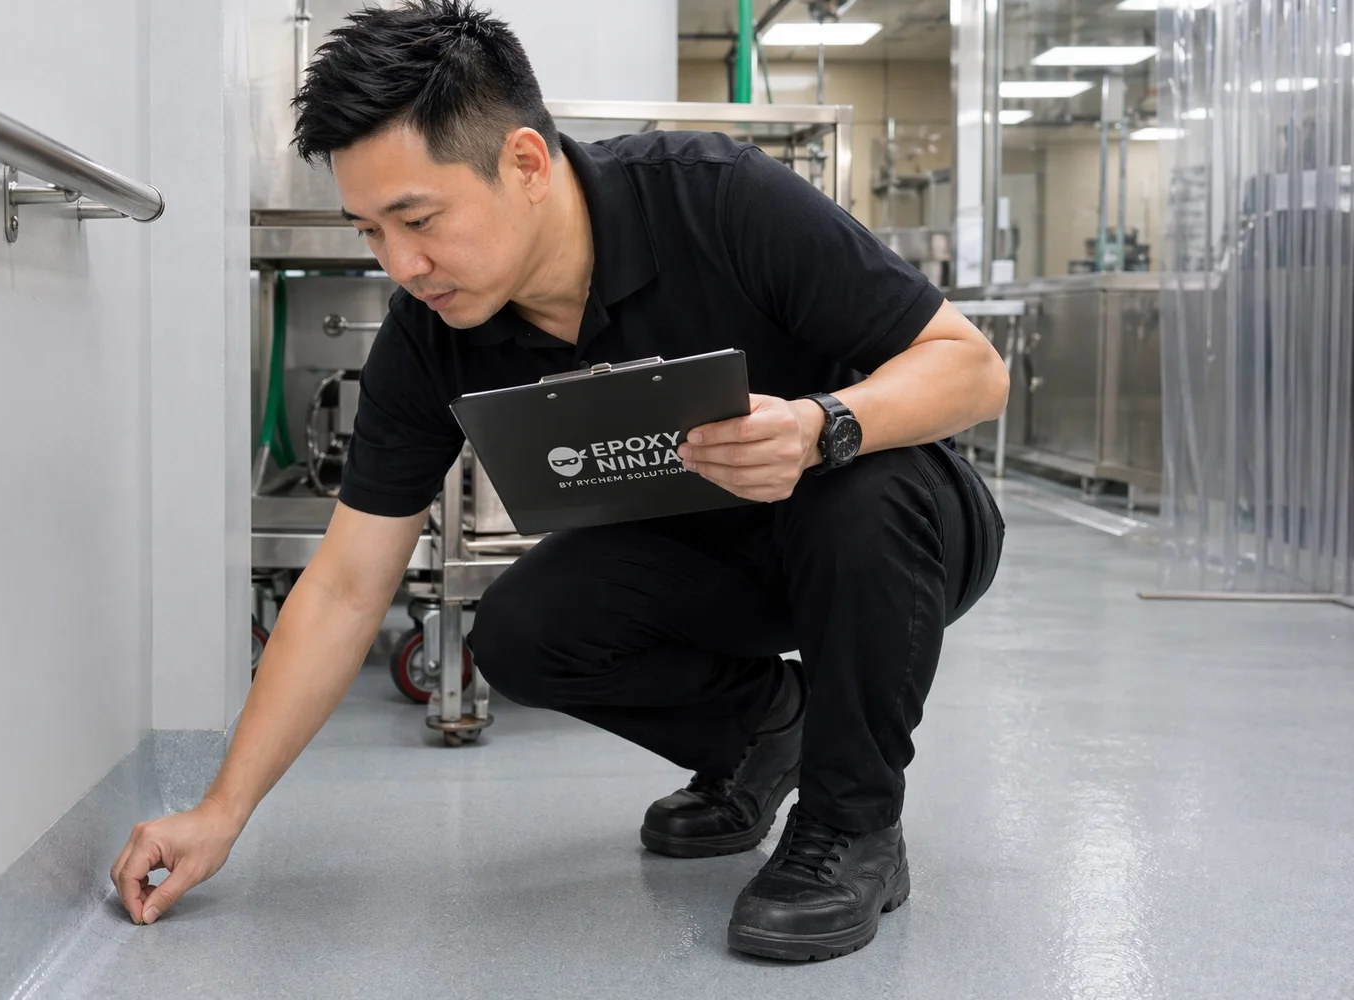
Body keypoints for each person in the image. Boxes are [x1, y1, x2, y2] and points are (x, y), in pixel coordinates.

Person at [112, 0, 1007, 962]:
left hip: (893, 533)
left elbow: (971, 368)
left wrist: (823, 424)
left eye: (418, 219)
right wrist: (221, 812)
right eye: (370, 231)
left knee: (862, 495)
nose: (402, 265)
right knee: (523, 631)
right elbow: (343, 584)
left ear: (527, 165)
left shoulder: (718, 199)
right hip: (712, 561)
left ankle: (853, 826)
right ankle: (764, 730)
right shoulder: (432, 334)